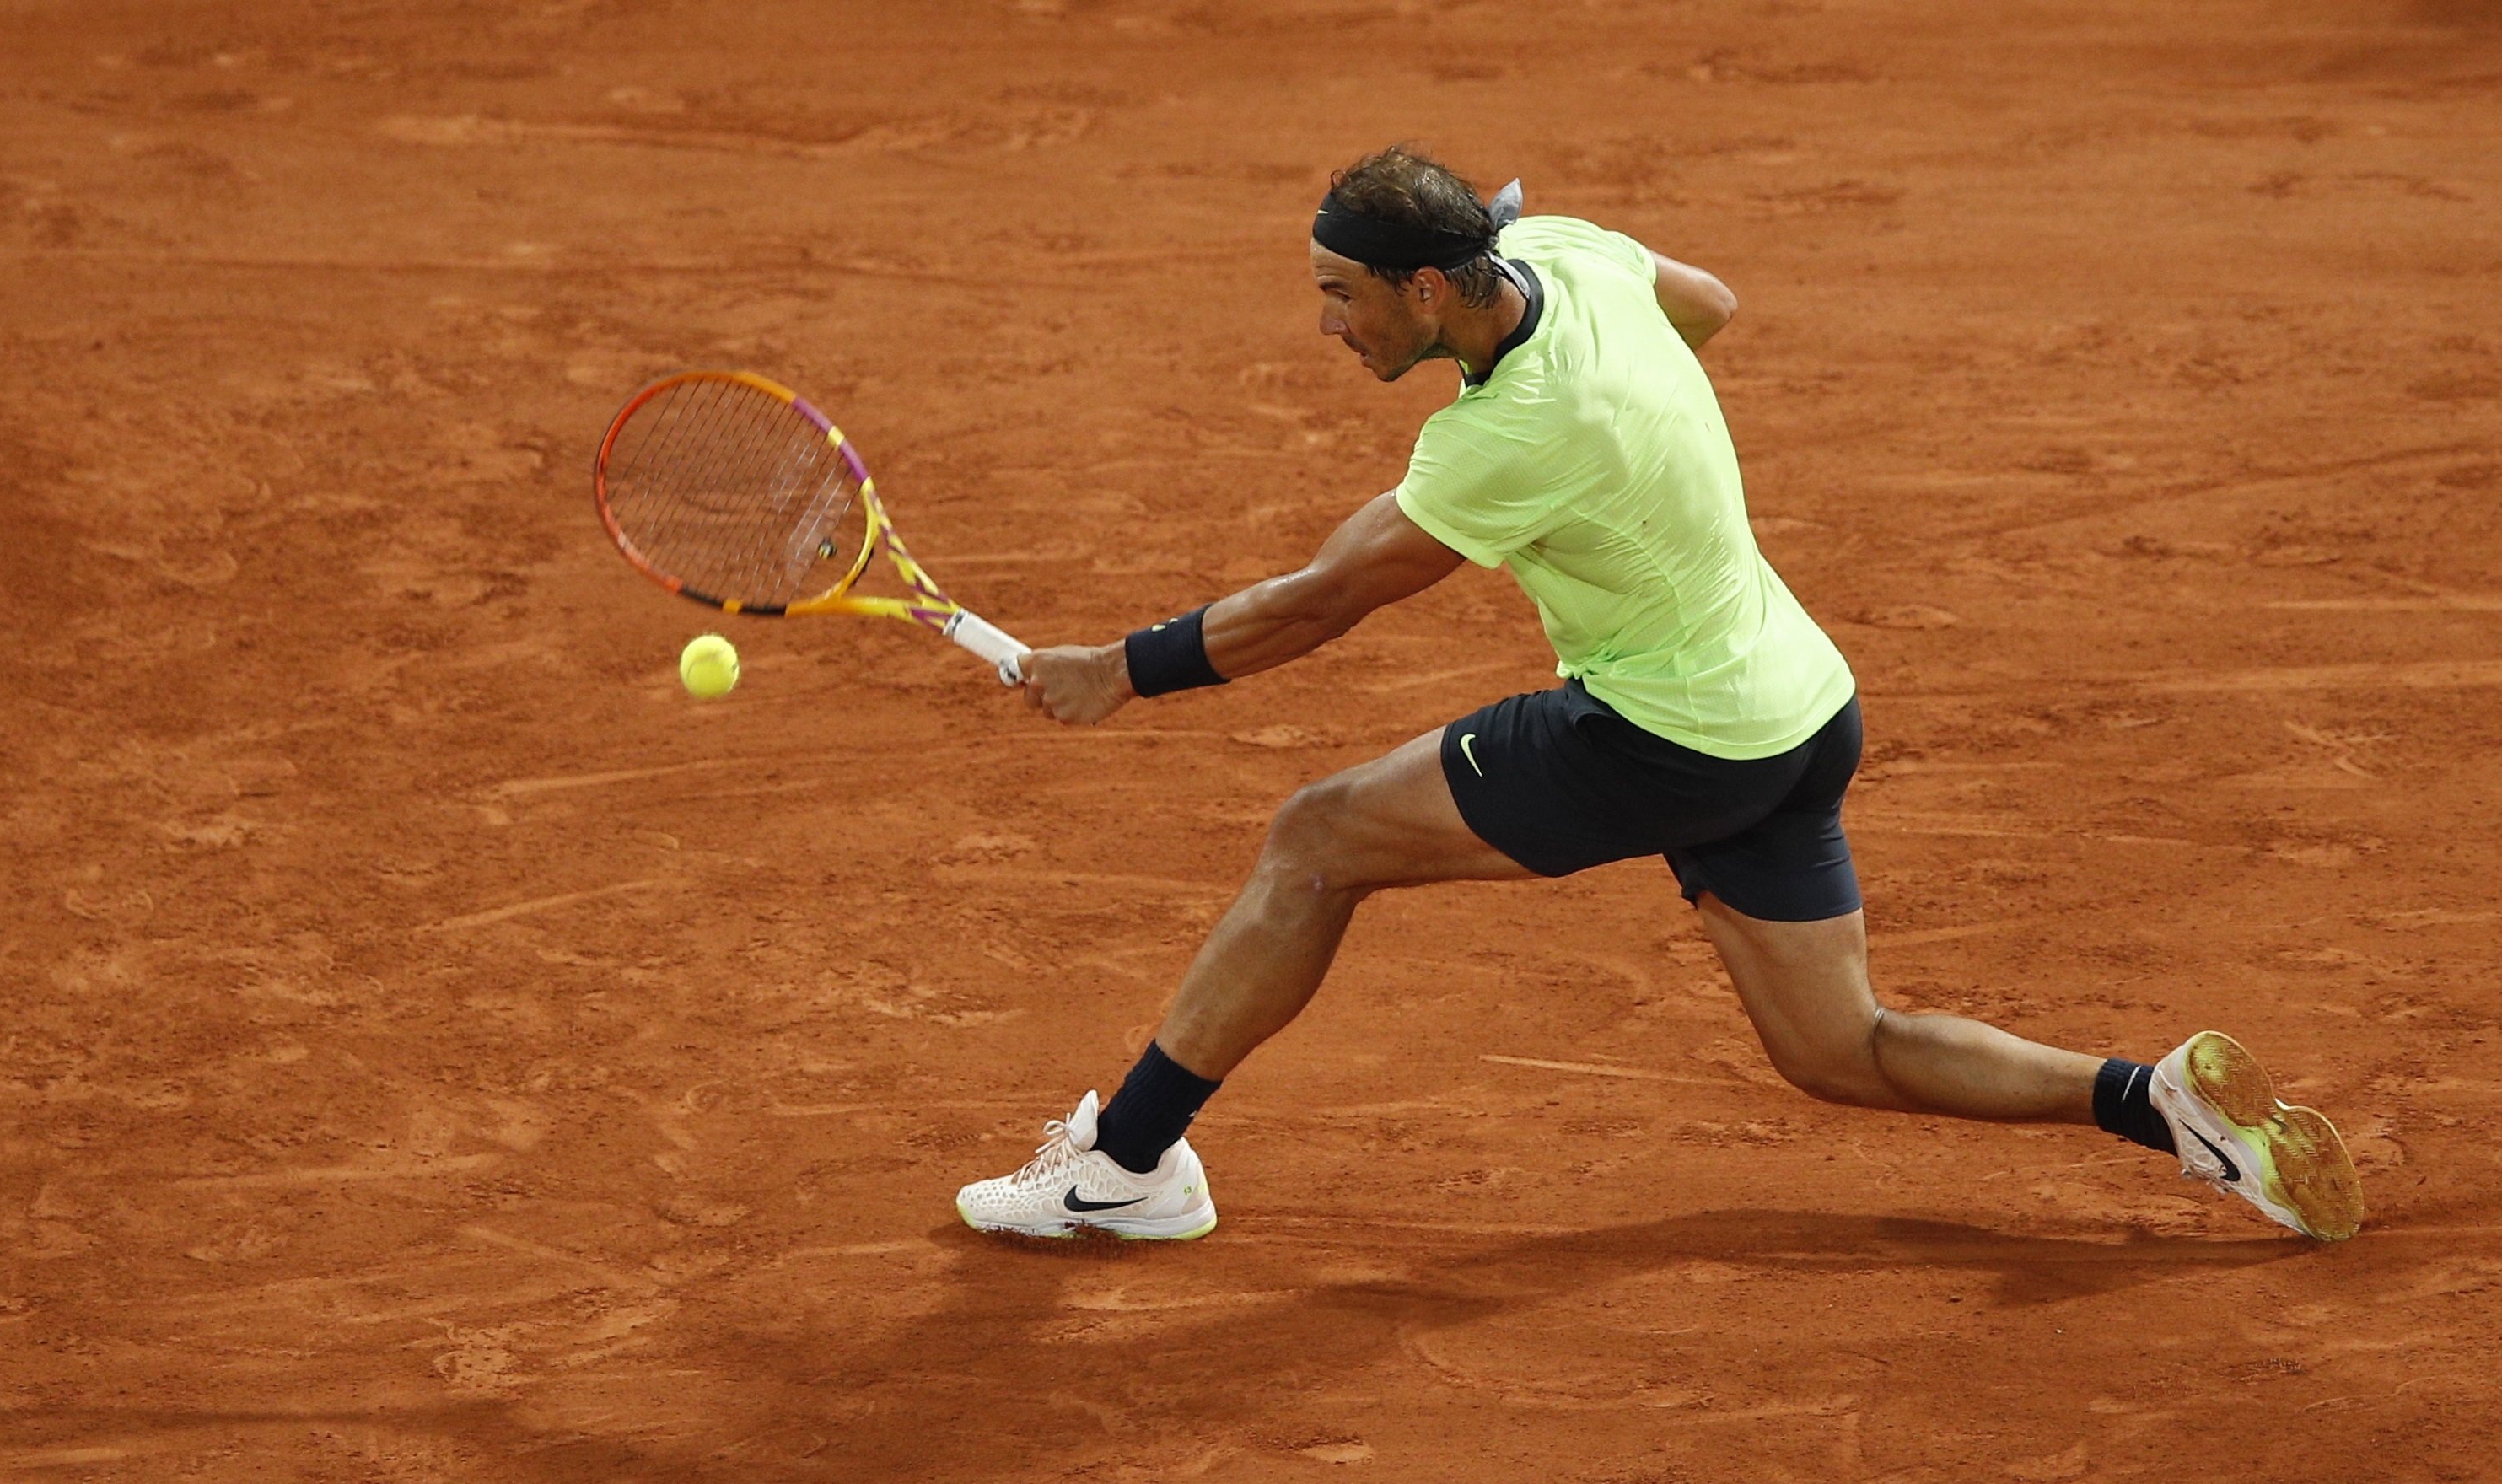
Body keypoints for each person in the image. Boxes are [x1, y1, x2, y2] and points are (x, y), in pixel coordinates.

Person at [953, 145, 2362, 1246]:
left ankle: (1128, 1167)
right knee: (1839, 1050)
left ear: (1427, 289)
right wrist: (1633, 452)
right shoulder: (1565, 254)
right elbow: (1711, 306)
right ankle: (2158, 1102)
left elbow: (1319, 603)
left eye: (1340, 291)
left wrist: (1116, 672)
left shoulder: (1506, 437)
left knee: (1317, 841)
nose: (1326, 323)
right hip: (1798, 709)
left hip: (1664, 735)